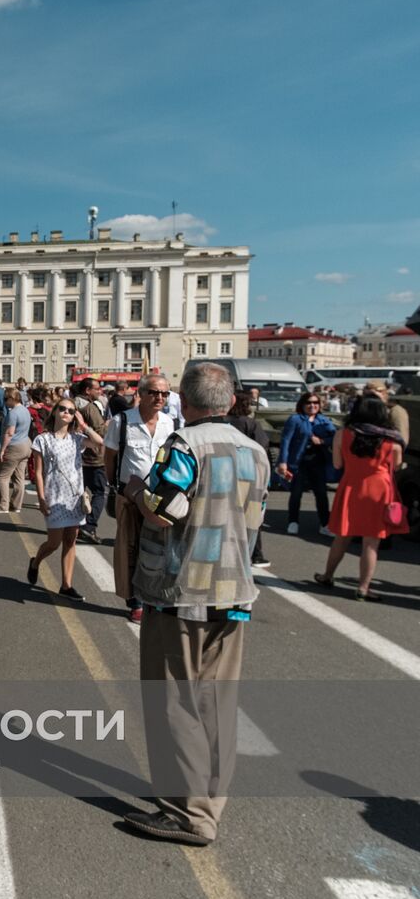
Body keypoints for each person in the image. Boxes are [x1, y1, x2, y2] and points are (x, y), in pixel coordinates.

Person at [120, 362, 268, 847]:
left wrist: (139, 493)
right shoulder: (255, 452)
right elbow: (256, 517)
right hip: (234, 593)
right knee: (216, 704)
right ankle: (209, 804)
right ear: (228, 401)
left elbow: (165, 512)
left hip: (182, 592)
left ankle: (186, 814)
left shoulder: (185, 446)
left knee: (175, 703)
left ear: (187, 399)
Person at [312, 397, 407, 601]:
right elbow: (396, 467)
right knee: (371, 543)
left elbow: (337, 465)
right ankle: (363, 588)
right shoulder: (392, 441)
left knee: (342, 536)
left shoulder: (342, 435)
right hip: (380, 490)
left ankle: (327, 575)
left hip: (351, 486)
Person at [103, 372, 177, 623]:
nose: (159, 397)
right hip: (130, 496)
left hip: (159, 497)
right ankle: (135, 600)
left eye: (164, 393)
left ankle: (152, 595)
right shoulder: (122, 422)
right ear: (141, 394)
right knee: (131, 548)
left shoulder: (170, 423)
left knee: (157, 549)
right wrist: (115, 487)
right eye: (154, 392)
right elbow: (110, 456)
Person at [27, 399, 105, 601]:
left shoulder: (77, 439)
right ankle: (35, 562)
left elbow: (99, 443)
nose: (66, 413)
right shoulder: (43, 440)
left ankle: (66, 585)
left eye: (71, 411)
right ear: (54, 412)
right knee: (53, 543)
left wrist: (85, 425)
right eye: (62, 409)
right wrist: (41, 499)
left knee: (70, 541)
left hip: (74, 498)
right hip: (54, 496)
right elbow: (38, 472)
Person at [277, 392, 337, 536]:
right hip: (298, 462)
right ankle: (293, 522)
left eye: (315, 403)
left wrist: (322, 441)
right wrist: (283, 462)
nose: (312, 405)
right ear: (302, 405)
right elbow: (286, 441)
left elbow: (335, 437)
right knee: (296, 493)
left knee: (321, 494)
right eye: (309, 403)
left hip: (318, 462)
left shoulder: (324, 420)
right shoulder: (295, 420)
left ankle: (325, 524)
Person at [226, 391, 271, 568]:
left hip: (224, 475)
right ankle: (255, 554)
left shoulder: (220, 423)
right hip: (247, 475)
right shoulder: (250, 423)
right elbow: (262, 448)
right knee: (252, 515)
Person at [75, 378, 110, 544]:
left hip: (79, 455)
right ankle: (88, 527)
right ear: (88, 390)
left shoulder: (73, 404)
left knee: (80, 490)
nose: (100, 391)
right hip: (94, 456)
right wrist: (110, 424)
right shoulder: (90, 407)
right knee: (99, 492)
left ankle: (74, 525)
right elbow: (100, 431)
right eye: (97, 389)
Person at [0, 389, 33, 513]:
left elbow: (9, 433)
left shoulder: (13, 413)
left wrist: (2, 450)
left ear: (11, 399)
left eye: (6, 399)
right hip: (26, 444)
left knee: (2, 475)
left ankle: (3, 505)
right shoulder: (25, 410)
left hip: (14, 446)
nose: (4, 402)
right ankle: (16, 505)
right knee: (19, 477)